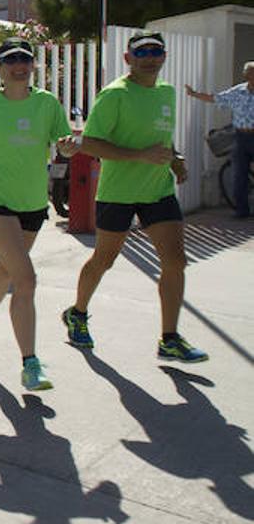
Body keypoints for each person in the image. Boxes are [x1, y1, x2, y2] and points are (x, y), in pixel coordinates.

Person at [65, 31, 207, 362]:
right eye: (142, 52)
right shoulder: (114, 95)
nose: (150, 57)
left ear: (165, 56)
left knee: (175, 262)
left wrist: (175, 159)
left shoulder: (167, 92)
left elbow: (162, 138)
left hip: (158, 191)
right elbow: (89, 143)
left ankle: (169, 338)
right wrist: (139, 156)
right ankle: (78, 313)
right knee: (104, 260)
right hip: (119, 193)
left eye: (156, 51)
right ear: (129, 59)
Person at [0, 38, 78, 391]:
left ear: (33, 65)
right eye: (10, 60)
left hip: (32, 204)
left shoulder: (47, 104)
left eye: (25, 58)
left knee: (6, 273)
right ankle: (31, 365)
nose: (18, 65)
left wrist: (68, 146)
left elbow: (62, 141)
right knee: (26, 279)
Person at [185, 61, 254, 219]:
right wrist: (194, 94)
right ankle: (241, 211)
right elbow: (216, 99)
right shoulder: (238, 91)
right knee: (239, 175)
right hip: (241, 137)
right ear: (246, 75)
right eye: (251, 73)